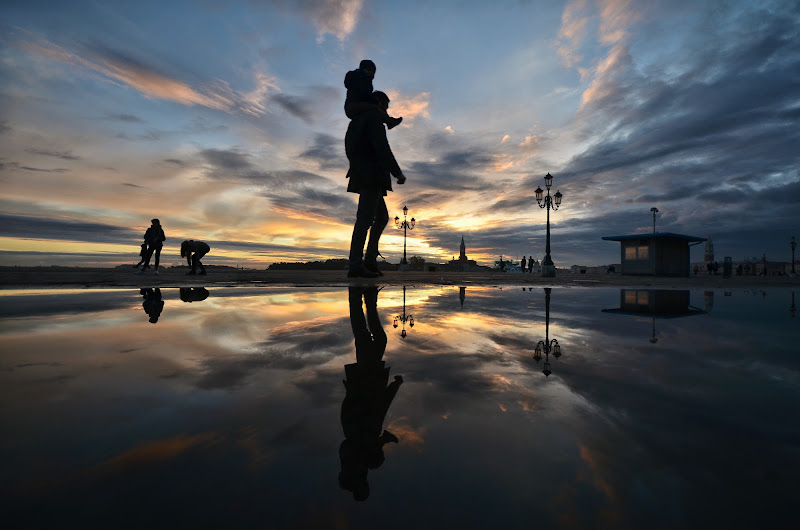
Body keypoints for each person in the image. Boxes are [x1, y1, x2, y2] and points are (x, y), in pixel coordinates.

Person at [339, 286, 402, 501]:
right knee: (374, 338)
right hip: (369, 380)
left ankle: (358, 295)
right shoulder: (364, 453)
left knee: (363, 335)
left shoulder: (354, 459)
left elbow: (380, 407)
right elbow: (381, 408)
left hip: (365, 380)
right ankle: (367, 298)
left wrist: (394, 387)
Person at [345, 90, 406, 278]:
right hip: (371, 175)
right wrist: (397, 172)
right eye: (386, 106)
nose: (386, 111)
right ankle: (356, 264)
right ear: (379, 103)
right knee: (364, 220)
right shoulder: (373, 119)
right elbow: (382, 148)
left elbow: (350, 147)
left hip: (365, 174)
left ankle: (369, 260)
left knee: (380, 218)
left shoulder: (358, 120)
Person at [344, 60, 402, 129]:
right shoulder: (356, 77)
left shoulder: (368, 83)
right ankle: (389, 121)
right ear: (362, 69)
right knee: (376, 108)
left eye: (373, 72)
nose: (371, 73)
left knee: (376, 108)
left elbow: (366, 95)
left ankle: (388, 120)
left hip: (358, 107)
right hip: (352, 106)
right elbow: (361, 93)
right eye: (369, 70)